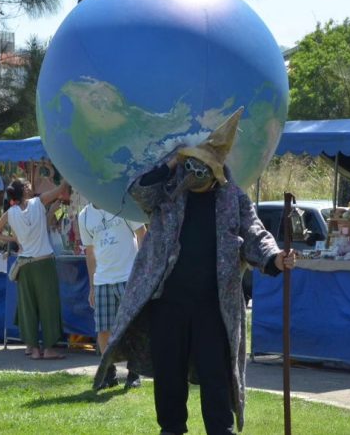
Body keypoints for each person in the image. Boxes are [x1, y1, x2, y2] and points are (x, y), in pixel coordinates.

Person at [92, 107, 296, 435]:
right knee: (169, 381)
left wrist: (274, 257)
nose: (194, 171)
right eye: (191, 163)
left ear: (216, 171)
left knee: (216, 380)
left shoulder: (233, 198)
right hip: (167, 304)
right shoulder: (169, 191)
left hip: (213, 308)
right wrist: (174, 161)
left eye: (202, 165)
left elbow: (255, 234)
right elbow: (139, 190)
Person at [0, 178, 69, 360]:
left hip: (24, 266)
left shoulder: (10, 213)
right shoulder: (38, 202)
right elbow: (60, 189)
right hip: (43, 263)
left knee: (28, 308)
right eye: (28, 185)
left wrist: (14, 239)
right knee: (48, 306)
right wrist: (65, 175)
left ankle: (32, 349)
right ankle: (48, 349)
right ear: (25, 190)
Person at [78, 203, 147, 389]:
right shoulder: (83, 216)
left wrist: (142, 271)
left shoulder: (122, 203)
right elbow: (90, 254)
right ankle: (108, 373)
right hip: (102, 280)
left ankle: (134, 373)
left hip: (129, 276)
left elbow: (142, 233)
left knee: (132, 327)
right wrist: (92, 286)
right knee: (103, 329)